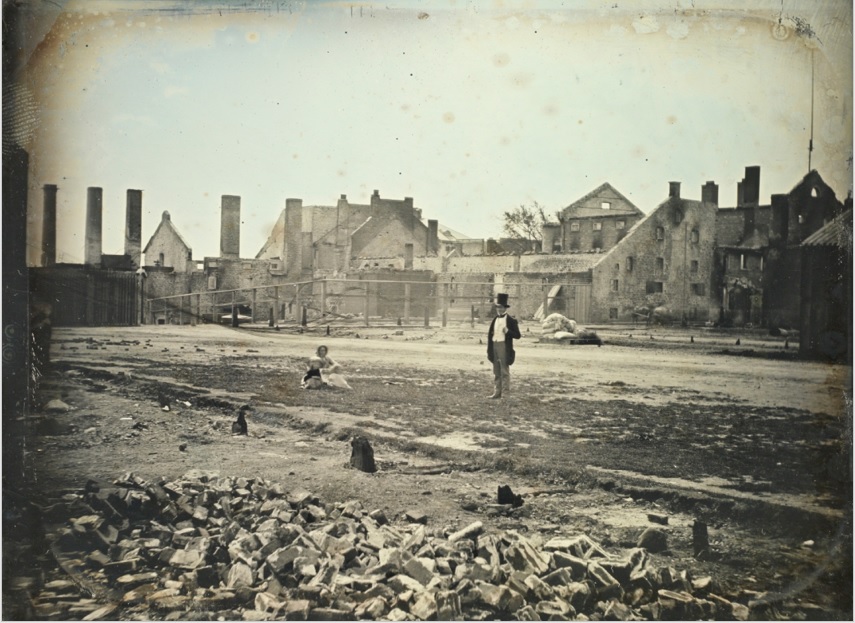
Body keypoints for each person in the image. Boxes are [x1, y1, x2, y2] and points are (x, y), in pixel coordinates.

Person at [486, 292, 521, 399]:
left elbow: (517, 335)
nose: (499, 310)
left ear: (505, 308)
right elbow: (490, 336)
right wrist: (489, 349)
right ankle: (497, 392)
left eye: (501, 307)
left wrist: (508, 331)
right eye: (497, 307)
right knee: (496, 370)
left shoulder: (511, 320)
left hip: (504, 347)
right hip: (494, 345)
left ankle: (505, 394)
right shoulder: (495, 320)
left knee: (504, 371)